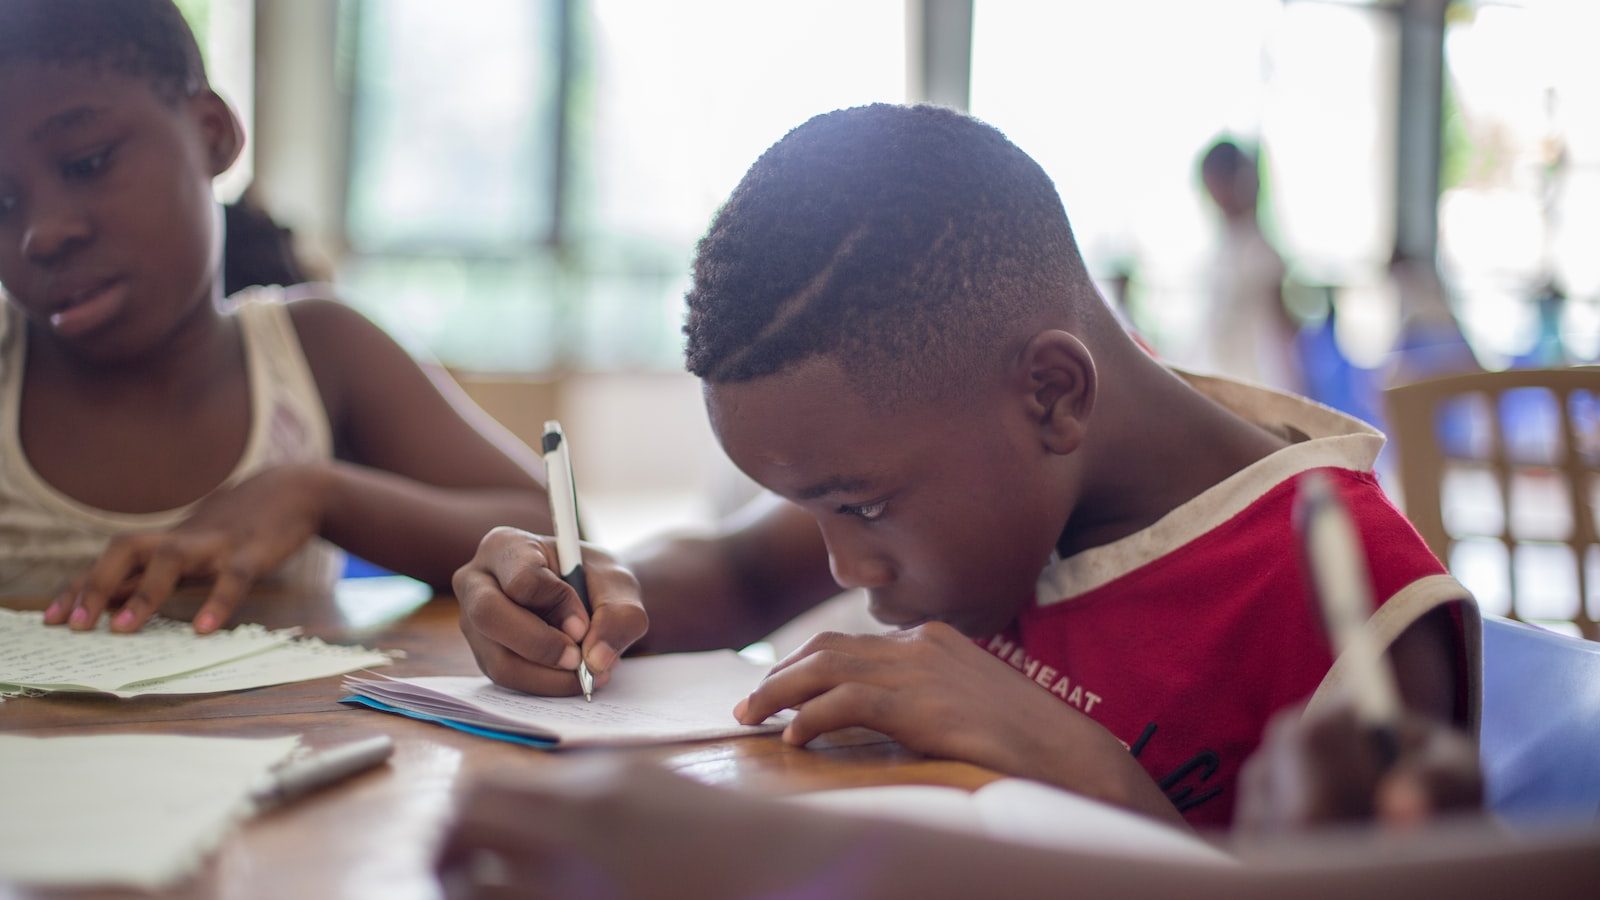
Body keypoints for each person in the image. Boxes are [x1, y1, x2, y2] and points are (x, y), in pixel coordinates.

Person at [452, 104, 1479, 829]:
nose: (845, 567)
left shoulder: (1358, 612)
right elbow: (739, 574)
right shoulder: (990, 456)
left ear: (1050, 395)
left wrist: (1092, 775)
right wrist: (592, 592)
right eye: (814, 513)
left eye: (861, 505)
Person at [0, 0, 550, 633]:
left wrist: (319, 495)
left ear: (213, 134)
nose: (40, 236)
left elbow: (559, 538)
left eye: (86, 162)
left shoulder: (318, 354)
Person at [1197, 138, 1302, 394]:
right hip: (1223, 381)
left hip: (1258, 384)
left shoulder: (1259, 250)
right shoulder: (1223, 247)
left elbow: (1283, 330)